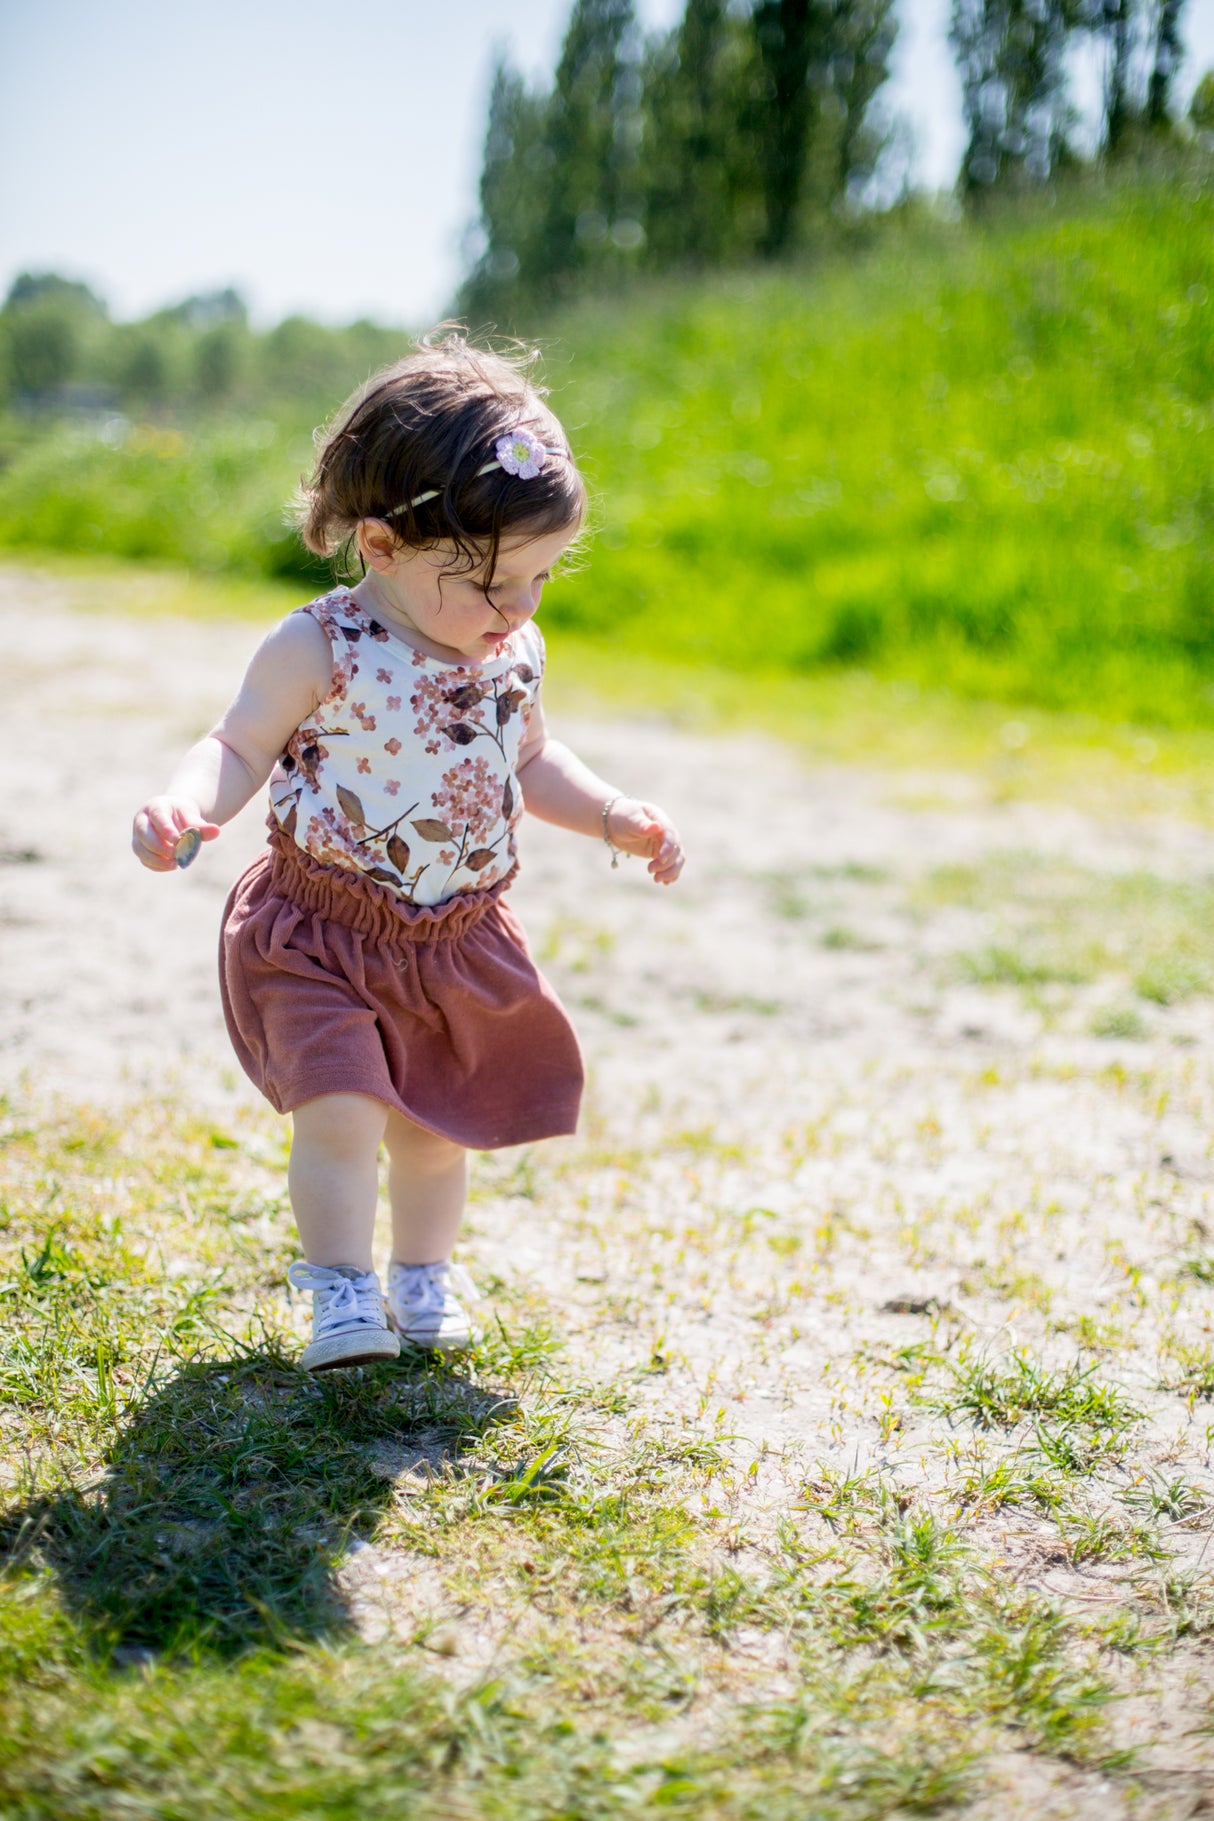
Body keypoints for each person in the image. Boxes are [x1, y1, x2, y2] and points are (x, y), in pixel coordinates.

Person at [132, 333, 684, 1371]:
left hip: (452, 937)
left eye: (539, 578)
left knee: (435, 1127)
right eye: (486, 583)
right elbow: (238, 742)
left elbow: (528, 757)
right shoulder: (320, 645)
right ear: (380, 546)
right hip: (322, 931)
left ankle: (422, 1275)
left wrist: (611, 812)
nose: (515, 608)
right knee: (341, 1113)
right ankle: (340, 1289)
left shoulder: (511, 649)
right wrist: (180, 804)